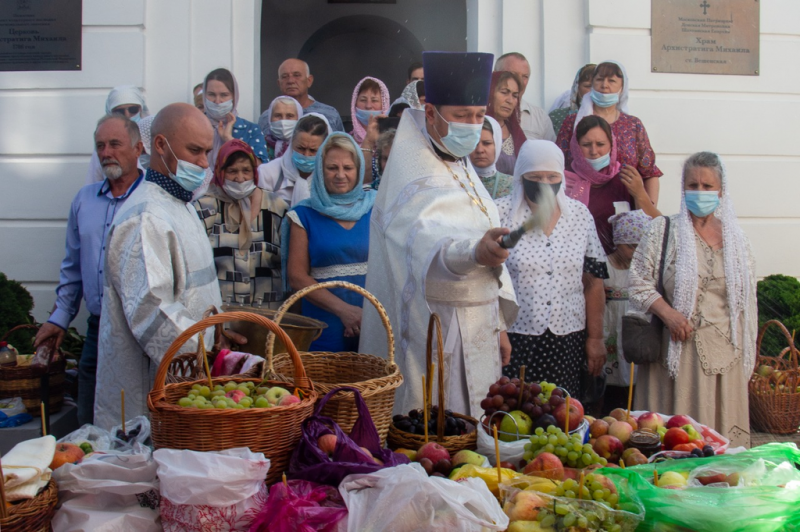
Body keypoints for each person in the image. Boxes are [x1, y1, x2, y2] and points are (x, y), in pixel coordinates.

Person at [360, 51, 519, 418]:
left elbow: (483, 230)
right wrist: (475, 253)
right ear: (430, 113)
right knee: (436, 438)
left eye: (479, 116)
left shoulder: (463, 168)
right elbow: (422, 247)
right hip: (433, 331)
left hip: (480, 329)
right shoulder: (409, 176)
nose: (472, 125)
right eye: (461, 116)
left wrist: (499, 326)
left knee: (481, 440)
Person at [94, 103, 241, 430]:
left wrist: (218, 332)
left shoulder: (180, 204)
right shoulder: (146, 216)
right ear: (160, 145)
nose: (204, 164)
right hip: (155, 393)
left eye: (207, 152)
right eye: (194, 151)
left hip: (190, 381)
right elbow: (151, 310)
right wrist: (212, 355)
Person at [629, 152, 756, 448]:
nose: (700, 192)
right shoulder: (663, 230)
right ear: (683, 188)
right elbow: (636, 280)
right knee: (675, 442)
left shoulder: (737, 240)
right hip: (675, 357)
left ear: (721, 191)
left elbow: (746, 305)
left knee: (722, 449)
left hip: (726, 360)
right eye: (693, 185)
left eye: (707, 186)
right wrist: (668, 314)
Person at [34, 115, 144, 426]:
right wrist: (60, 318)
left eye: (115, 144)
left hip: (140, 332)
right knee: (89, 421)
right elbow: (73, 267)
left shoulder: (153, 199)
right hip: (98, 328)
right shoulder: (84, 200)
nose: (106, 152)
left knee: (137, 421)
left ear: (138, 148)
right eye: (100, 145)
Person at [497, 140, 608, 398]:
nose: (544, 183)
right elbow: (489, 281)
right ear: (521, 177)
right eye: (535, 177)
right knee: (518, 411)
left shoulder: (579, 216)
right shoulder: (501, 213)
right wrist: (498, 330)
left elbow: (592, 282)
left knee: (564, 413)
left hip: (568, 338)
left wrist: (596, 338)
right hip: (516, 338)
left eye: (552, 176)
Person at [284, 132, 376, 352]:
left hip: (373, 317)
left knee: (374, 381)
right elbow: (297, 277)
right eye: (332, 168)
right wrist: (345, 311)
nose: (340, 175)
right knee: (326, 382)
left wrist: (367, 314)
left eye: (348, 168)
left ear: (359, 170)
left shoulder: (375, 207)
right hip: (325, 321)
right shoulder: (303, 214)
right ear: (320, 170)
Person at [195, 139, 289, 309]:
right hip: (221, 315)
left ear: (254, 172)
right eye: (232, 171)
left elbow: (288, 261)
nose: (240, 178)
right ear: (220, 172)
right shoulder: (205, 209)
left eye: (246, 171)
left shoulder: (276, 207)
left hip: (269, 314)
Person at [556, 61, 662, 213]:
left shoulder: (633, 125)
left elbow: (650, 172)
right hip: (579, 207)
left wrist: (648, 211)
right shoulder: (573, 122)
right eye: (599, 79)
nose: (604, 85)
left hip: (625, 210)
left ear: (622, 87)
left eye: (611, 81)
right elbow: (557, 164)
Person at [565, 115, 661, 252]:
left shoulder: (626, 179)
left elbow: (657, 225)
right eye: (586, 145)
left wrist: (639, 193)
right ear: (576, 147)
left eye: (600, 144)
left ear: (612, 145)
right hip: (580, 265)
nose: (594, 152)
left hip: (621, 266)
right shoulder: (565, 182)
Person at [601, 209, 652, 413]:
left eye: (641, 248)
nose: (636, 252)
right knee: (609, 378)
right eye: (631, 246)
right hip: (609, 327)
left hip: (633, 328)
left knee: (633, 377)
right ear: (618, 242)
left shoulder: (643, 269)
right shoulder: (603, 266)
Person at [258, 113, 331, 206]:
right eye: (301, 148)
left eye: (313, 150)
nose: (306, 154)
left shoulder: (329, 178)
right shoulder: (268, 173)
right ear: (291, 143)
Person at [203, 68, 268, 169]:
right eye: (211, 94)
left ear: (234, 96)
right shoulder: (195, 126)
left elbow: (261, 169)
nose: (217, 101)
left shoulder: (250, 129)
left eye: (224, 95)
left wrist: (230, 140)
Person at [85, 86, 149, 184]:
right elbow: (93, 181)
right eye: (120, 111)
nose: (127, 115)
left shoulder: (153, 138)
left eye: (132, 109)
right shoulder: (103, 148)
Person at [494, 52, 555, 142]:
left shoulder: (540, 118)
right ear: (495, 75)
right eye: (512, 74)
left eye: (524, 77)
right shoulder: (478, 113)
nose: (520, 82)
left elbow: (551, 154)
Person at [278, 58, 344, 132]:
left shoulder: (330, 114)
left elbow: (341, 143)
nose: (290, 81)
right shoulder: (268, 117)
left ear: (309, 81)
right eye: (284, 76)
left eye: (297, 75)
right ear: (279, 83)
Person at [486, 71, 526, 175]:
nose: (510, 100)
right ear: (489, 92)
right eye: (504, 92)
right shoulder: (475, 128)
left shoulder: (516, 133)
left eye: (515, 95)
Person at [470, 116, 511, 199]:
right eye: (474, 143)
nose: (480, 150)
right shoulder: (457, 182)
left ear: (497, 144)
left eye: (486, 143)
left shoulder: (512, 185)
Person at [548, 63, 596, 136]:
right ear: (577, 88)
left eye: (596, 86)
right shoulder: (557, 116)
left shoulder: (612, 116)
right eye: (588, 86)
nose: (593, 91)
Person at [257, 95, 303, 160]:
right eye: (278, 115)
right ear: (270, 118)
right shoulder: (259, 145)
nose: (283, 121)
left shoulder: (305, 147)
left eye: (289, 116)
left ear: (299, 118)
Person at [350, 77, 391, 148]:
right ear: (354, 103)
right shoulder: (346, 142)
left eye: (374, 100)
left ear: (384, 105)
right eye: (363, 100)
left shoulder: (393, 141)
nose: (368, 106)